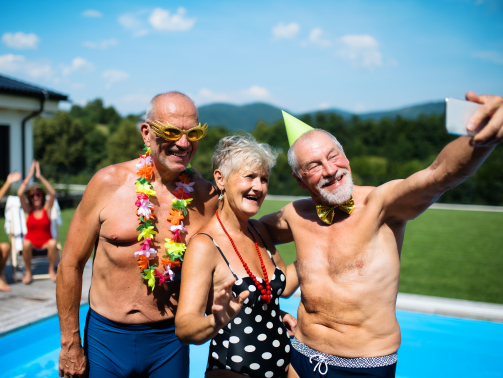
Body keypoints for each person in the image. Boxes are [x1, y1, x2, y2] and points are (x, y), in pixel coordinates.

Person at [260, 92, 503, 378]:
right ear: (299, 179)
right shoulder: (295, 215)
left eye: (333, 156)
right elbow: (248, 232)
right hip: (301, 357)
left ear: (345, 156)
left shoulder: (380, 205)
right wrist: (271, 308)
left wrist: (484, 138)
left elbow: (438, 174)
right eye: (314, 165)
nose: (330, 170)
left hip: (364, 367)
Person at [56, 91, 220, 378]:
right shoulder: (108, 183)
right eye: (171, 132)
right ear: (147, 133)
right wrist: (70, 344)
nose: (183, 143)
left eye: (192, 133)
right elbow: (70, 264)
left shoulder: (205, 197)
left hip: (169, 341)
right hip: (106, 338)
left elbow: (228, 261)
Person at [175, 135, 299, 378]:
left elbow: (282, 287)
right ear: (220, 179)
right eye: (249, 176)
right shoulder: (204, 245)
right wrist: (216, 320)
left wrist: (316, 257)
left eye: (264, 179)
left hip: (283, 367)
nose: (259, 187)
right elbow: (184, 327)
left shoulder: (259, 231)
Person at [17, 160, 58, 284]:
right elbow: (19, 193)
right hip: (32, 242)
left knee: (52, 243)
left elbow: (53, 193)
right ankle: (28, 271)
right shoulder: (27, 210)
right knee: (25, 244)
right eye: (32, 195)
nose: (36, 197)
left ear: (41, 195)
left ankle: (51, 270)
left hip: (46, 242)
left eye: (38, 194)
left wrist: (40, 177)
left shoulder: (47, 209)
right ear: (29, 198)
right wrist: (30, 175)